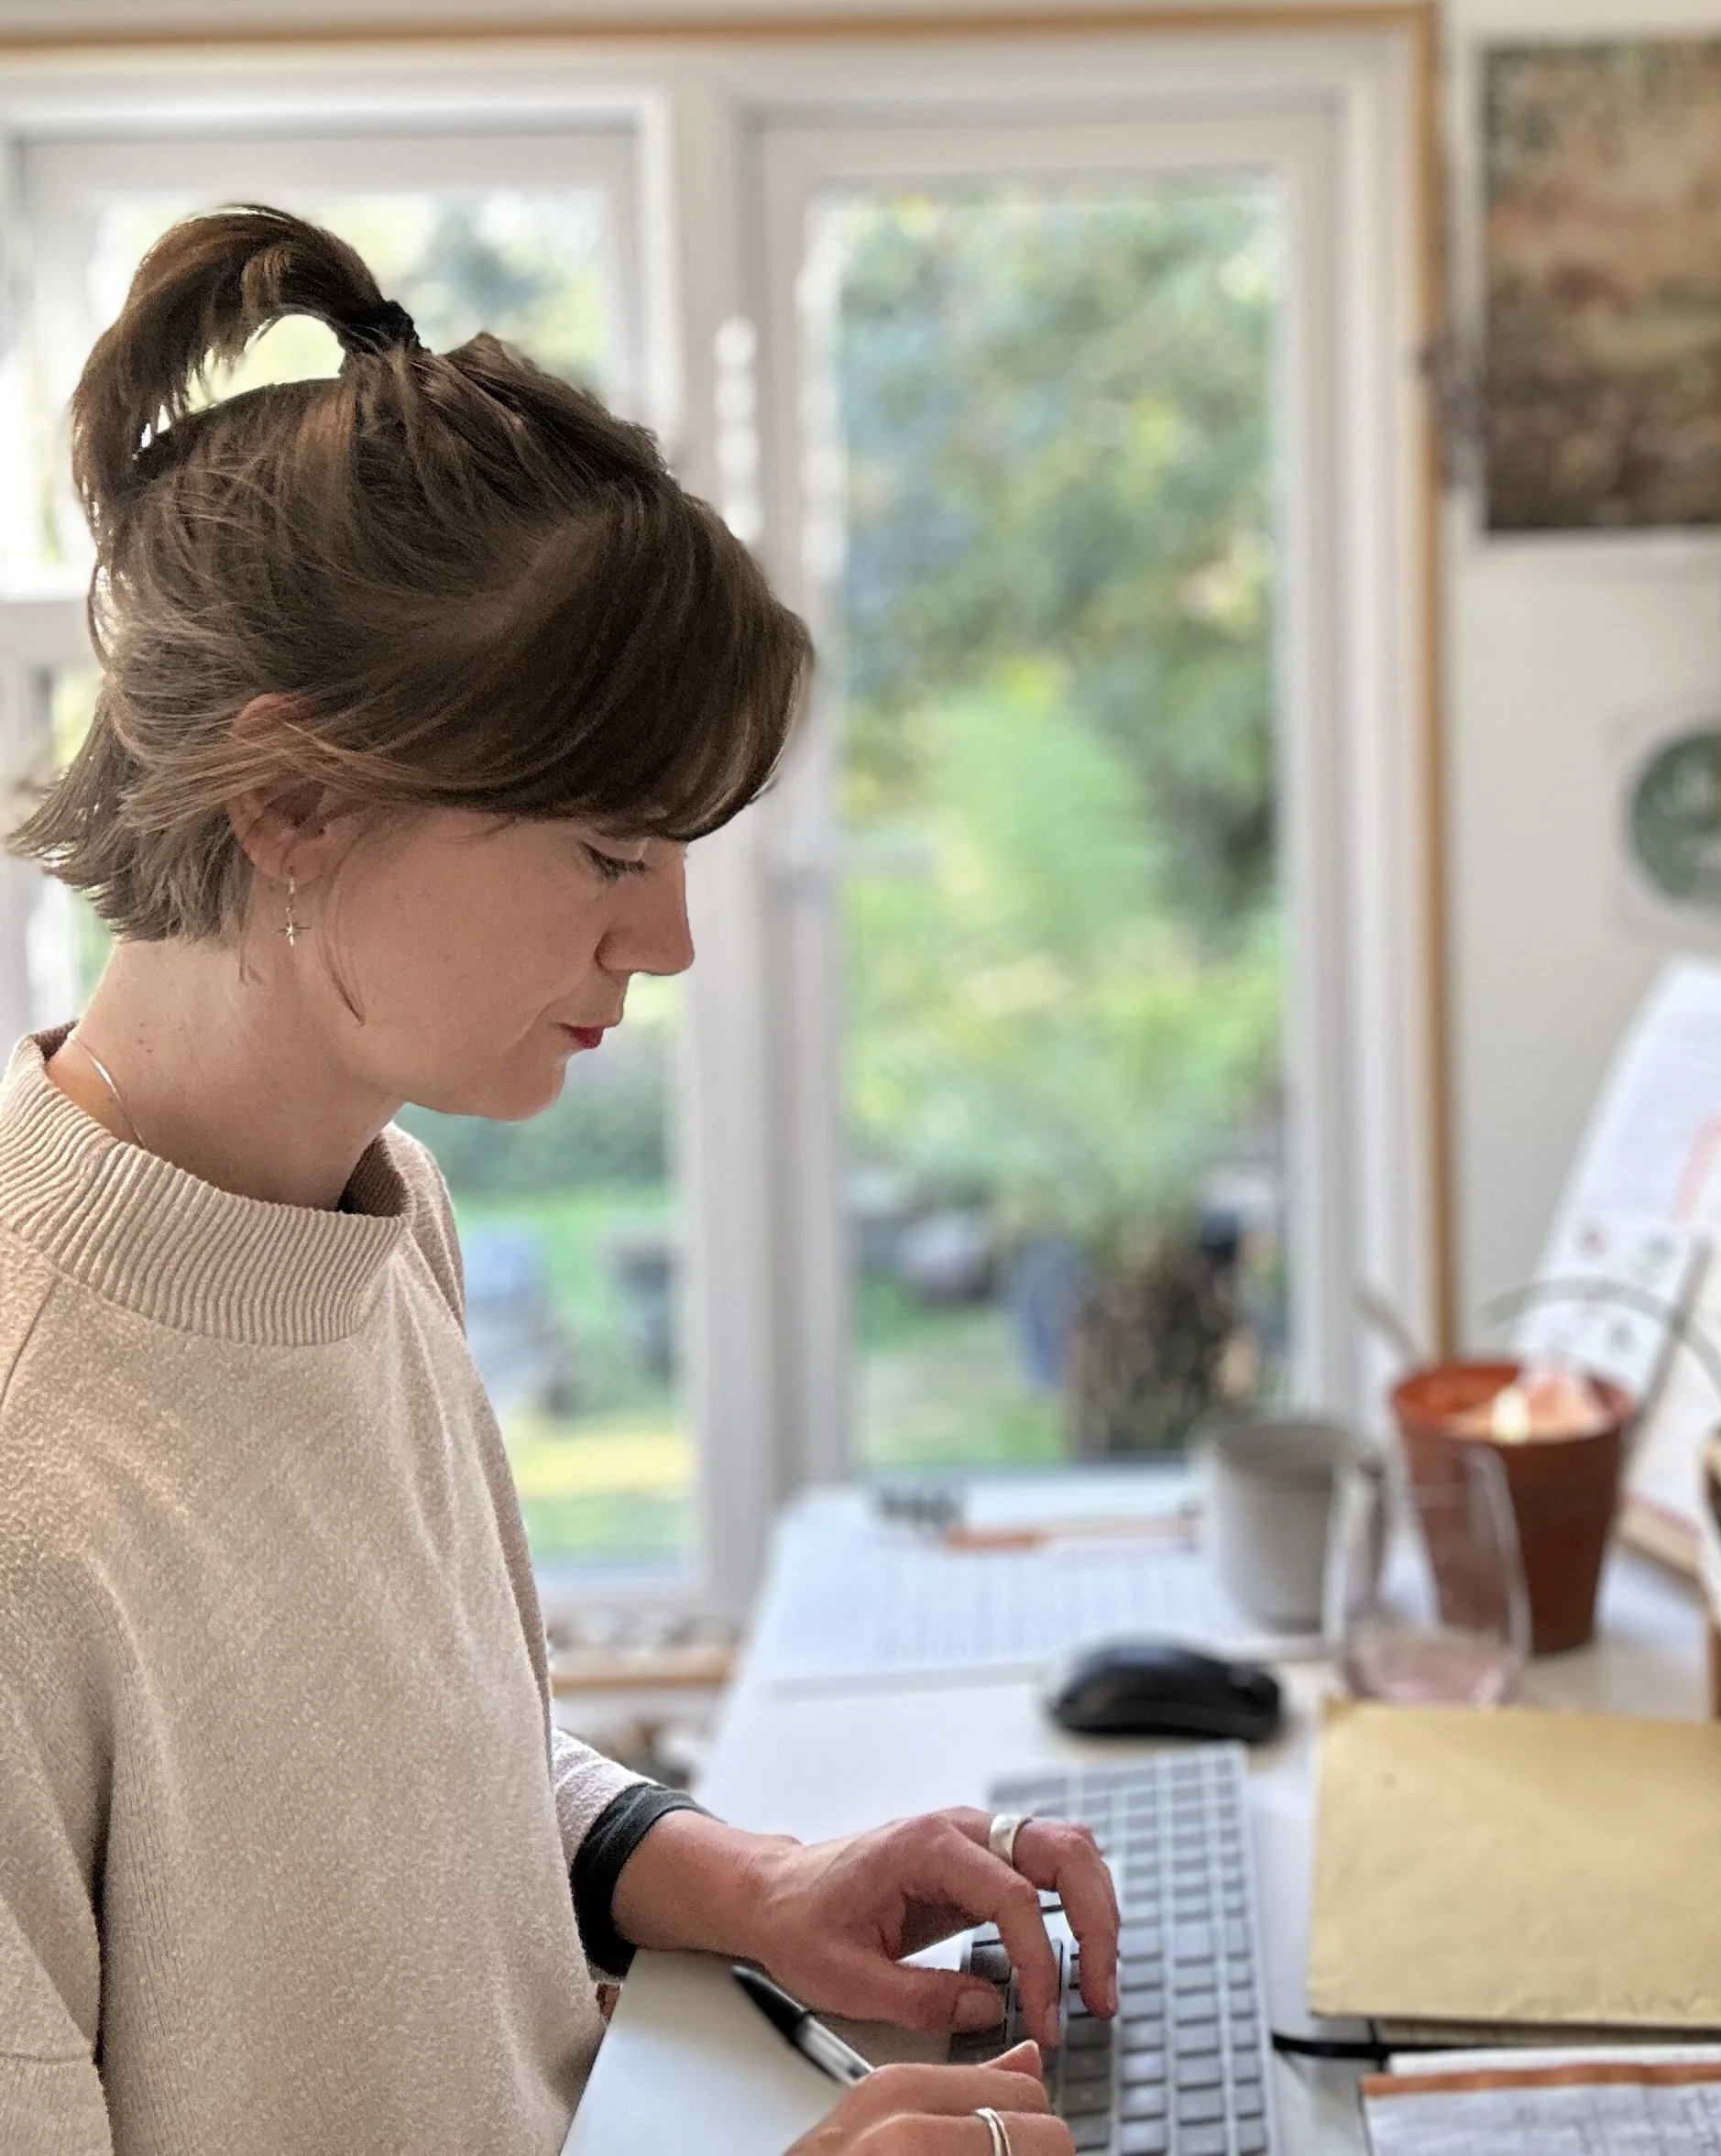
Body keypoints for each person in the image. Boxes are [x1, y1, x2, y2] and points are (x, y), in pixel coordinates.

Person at [0, 208, 1117, 2156]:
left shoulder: (377, 1218)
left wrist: (737, 1875)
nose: (669, 939)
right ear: (293, 801)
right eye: (610, 851)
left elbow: (400, 1797)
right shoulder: (35, 1462)